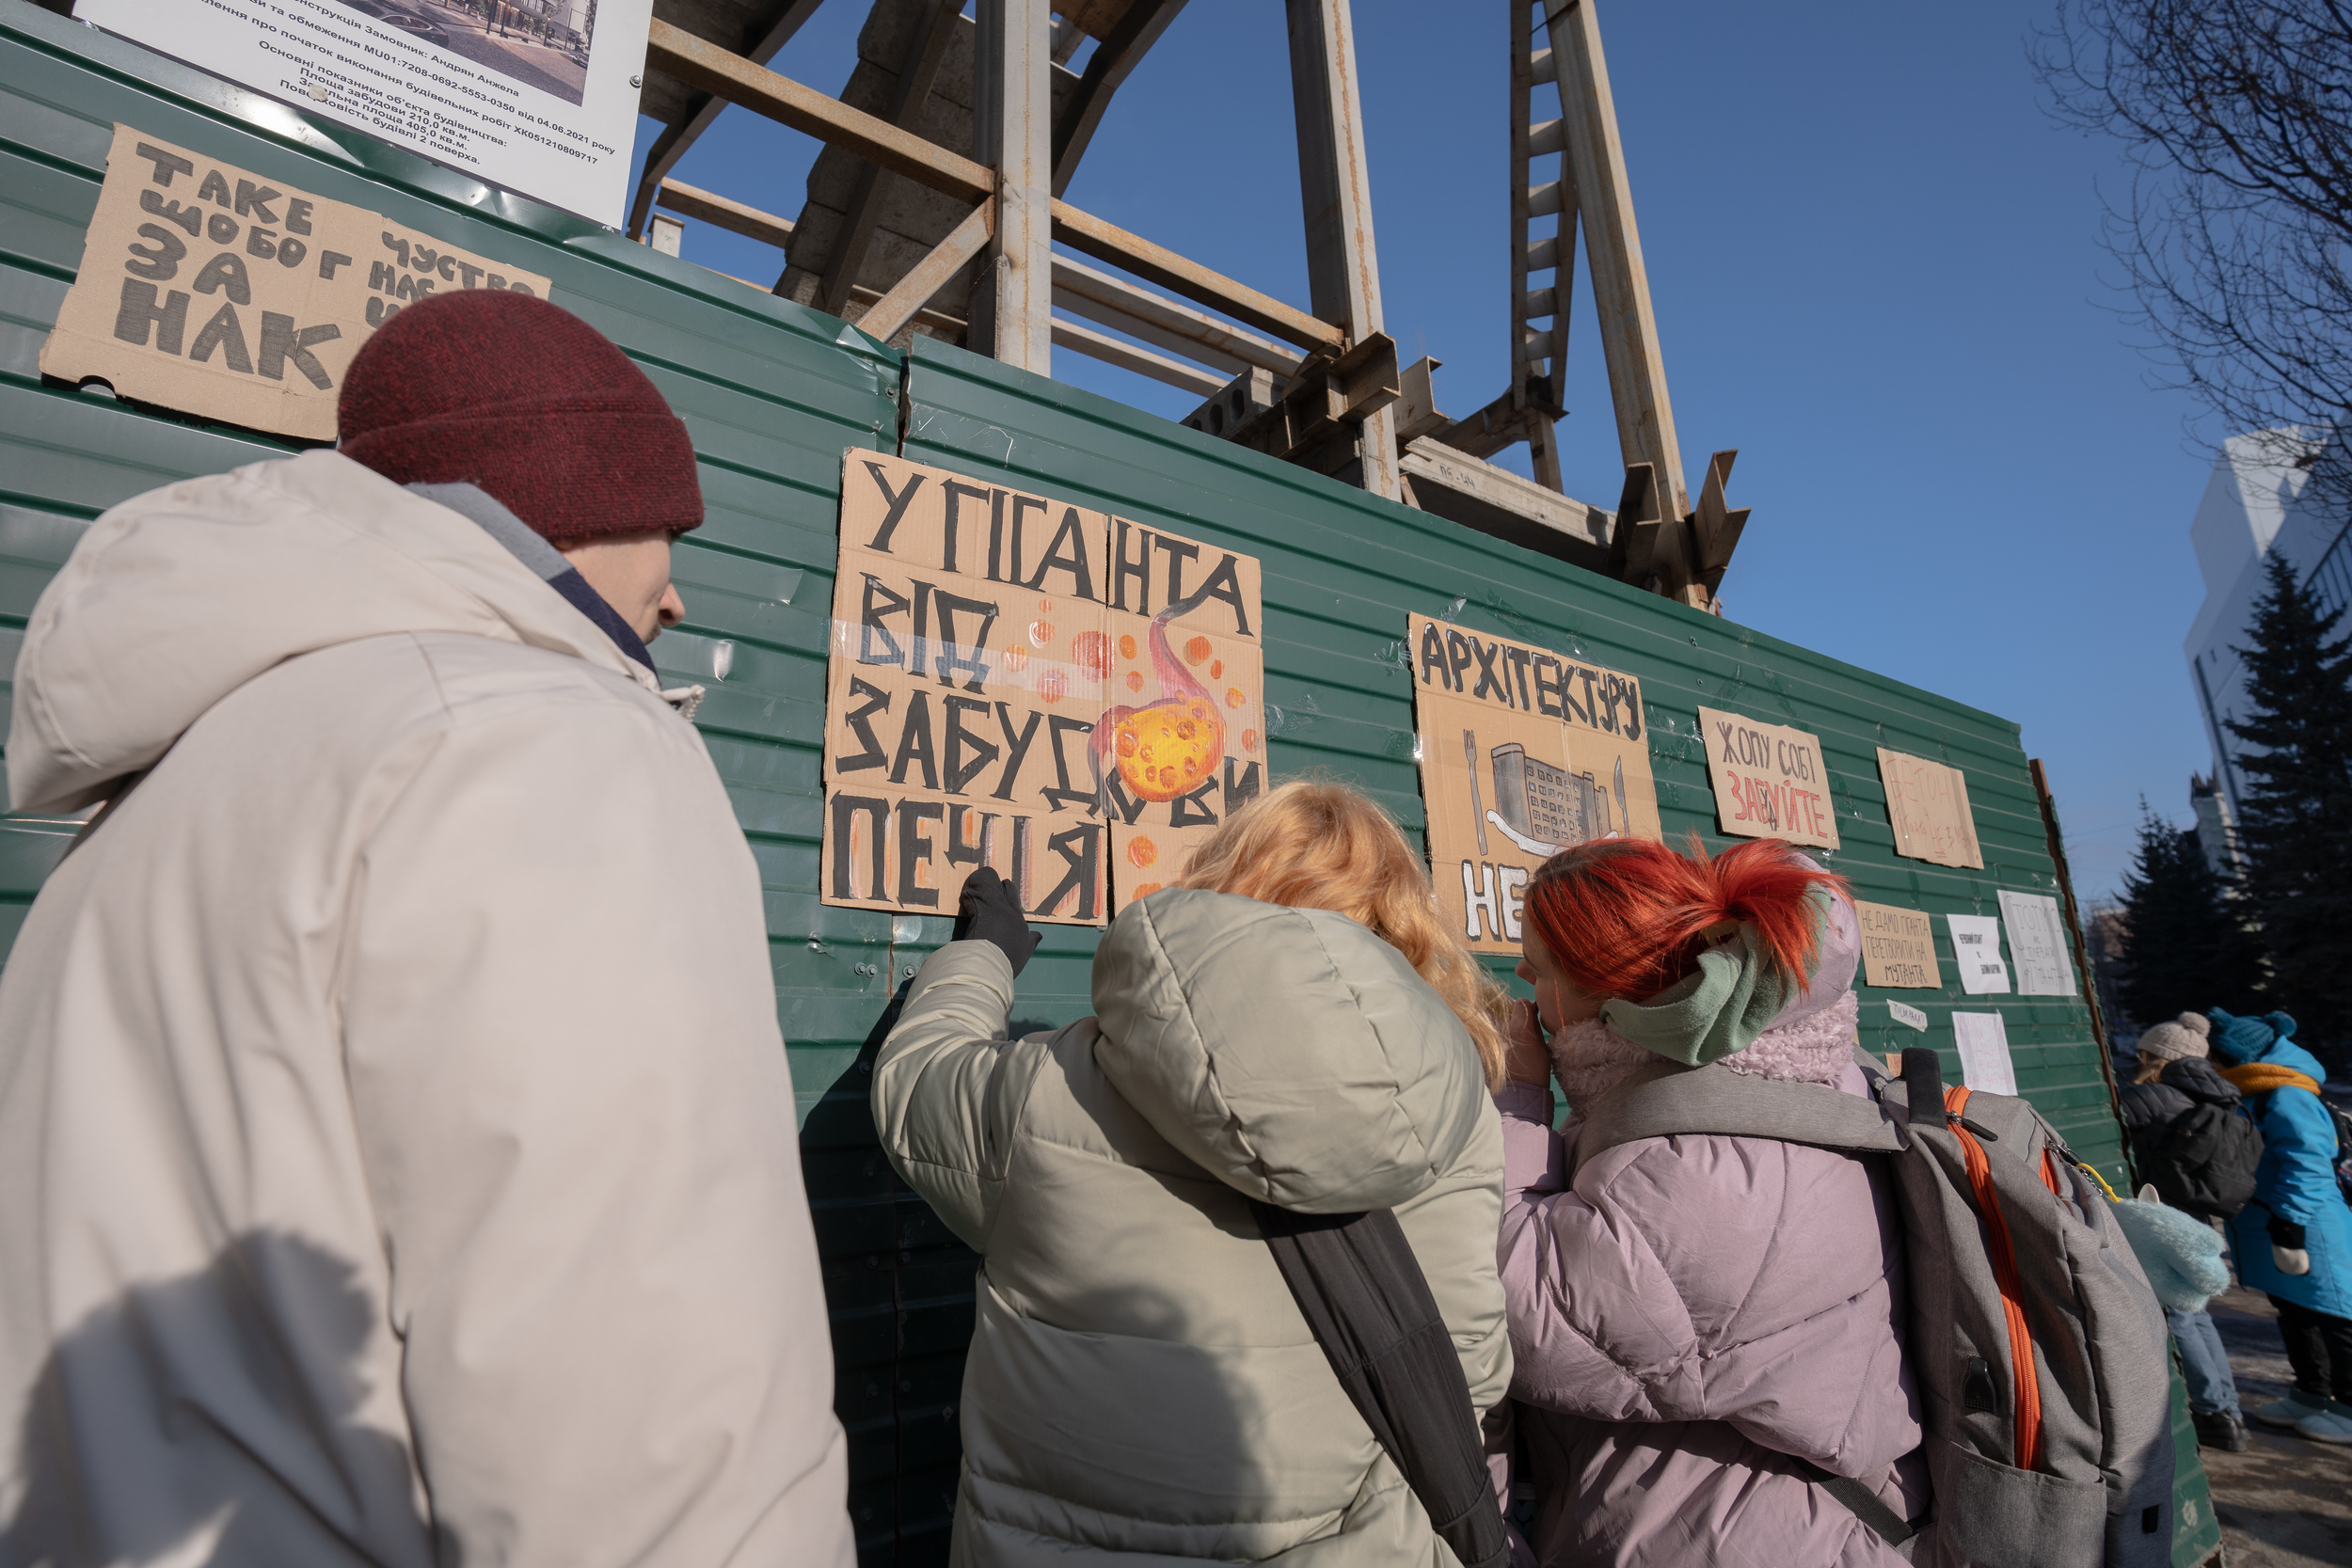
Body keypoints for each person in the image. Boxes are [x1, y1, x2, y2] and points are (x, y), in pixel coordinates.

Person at [0, 292, 853, 1565]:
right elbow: (641, 1424)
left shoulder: (153, 797)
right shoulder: (540, 742)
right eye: (668, 532)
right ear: (573, 509)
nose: (675, 596)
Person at [870, 780, 1511, 1563]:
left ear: (1225, 883)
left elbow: (917, 1085)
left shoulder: (1057, 1084)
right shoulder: (1458, 1107)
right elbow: (1466, 1369)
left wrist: (983, 952)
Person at [1495, 837, 1924, 1568]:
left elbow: (1509, 1308)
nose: (1521, 973)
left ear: (1605, 987)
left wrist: (1515, 1096)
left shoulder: (1711, 1166)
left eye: (1539, 961)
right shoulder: (1763, 1087)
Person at [2207, 1008, 2352, 1444]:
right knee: (2295, 1311)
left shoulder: (2287, 1096)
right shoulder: (2256, 1092)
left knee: (2333, 1313)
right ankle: (2312, 1393)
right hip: (2274, 1225)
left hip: (2307, 1227)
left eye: (2218, 1057)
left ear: (2240, 1058)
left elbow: (2307, 1167)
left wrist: (2290, 1224)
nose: (2212, 1064)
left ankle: (2348, 1406)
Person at [2117, 1012, 2253, 1450]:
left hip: (2167, 1216)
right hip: (2200, 1214)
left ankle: (2213, 1411)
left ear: (2155, 1057)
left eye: (2143, 1054)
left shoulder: (2156, 1095)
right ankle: (2228, 1409)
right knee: (2198, 1311)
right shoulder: (2219, 1096)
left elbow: (2112, 1116)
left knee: (2180, 1311)